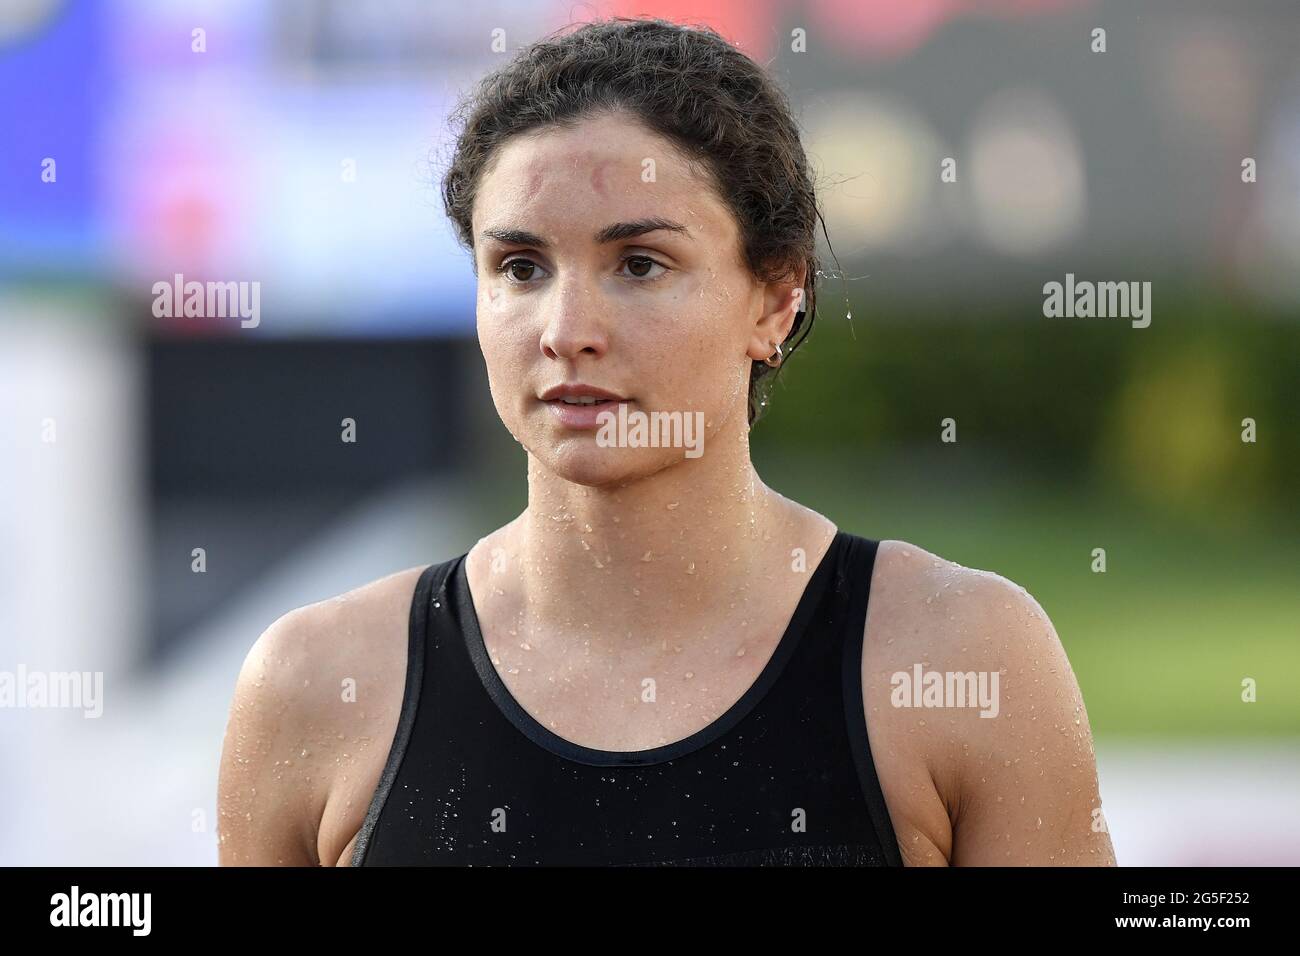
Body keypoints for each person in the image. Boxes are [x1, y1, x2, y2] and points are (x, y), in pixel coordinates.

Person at [217, 17, 1116, 866]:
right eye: (521, 268)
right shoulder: (317, 687)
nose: (567, 329)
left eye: (640, 264)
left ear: (774, 297)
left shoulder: (959, 659)